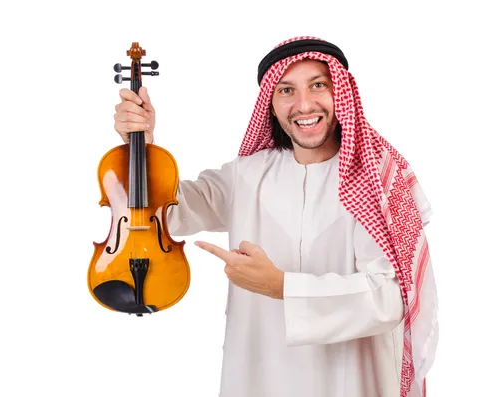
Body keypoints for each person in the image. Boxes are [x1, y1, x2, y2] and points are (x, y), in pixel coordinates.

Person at [113, 36, 438, 397]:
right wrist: (141, 143)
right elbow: (167, 212)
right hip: (258, 378)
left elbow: (390, 300)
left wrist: (281, 286)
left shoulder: (376, 179)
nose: (303, 104)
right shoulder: (247, 175)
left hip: (350, 383)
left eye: (318, 85)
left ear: (340, 93)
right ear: (271, 103)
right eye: (286, 90)